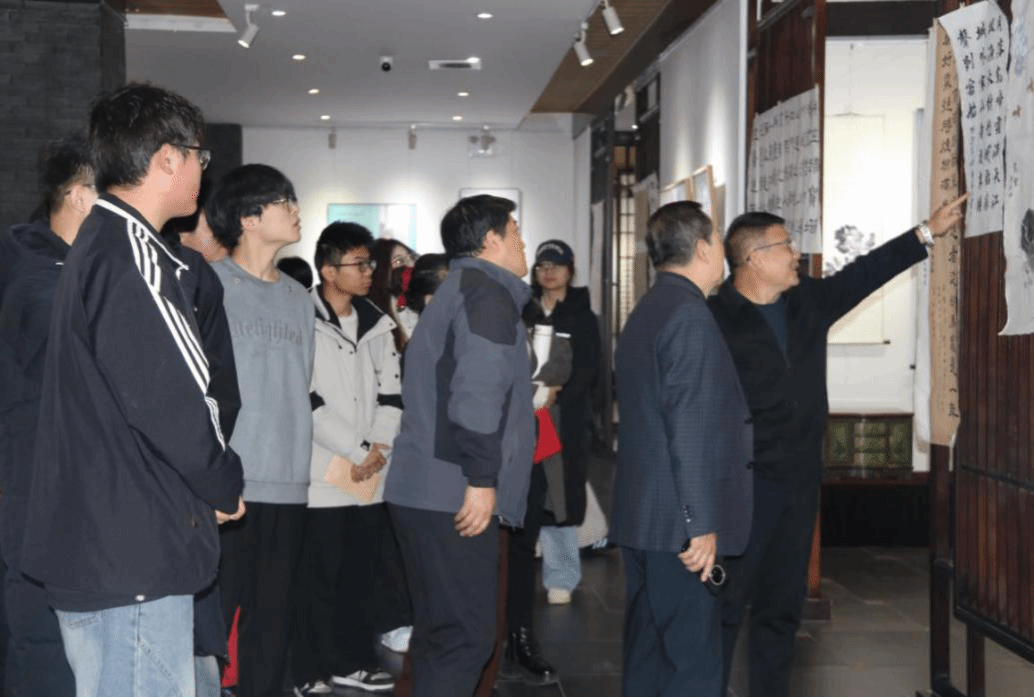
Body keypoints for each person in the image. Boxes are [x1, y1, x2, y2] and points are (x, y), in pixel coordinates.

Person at [20, 83, 246, 697]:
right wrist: (222, 481)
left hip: (107, 544)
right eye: (198, 155)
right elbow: (178, 398)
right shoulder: (132, 254)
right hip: (131, 552)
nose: (203, 170)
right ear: (168, 158)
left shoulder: (101, 243)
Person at [709, 192, 969, 697]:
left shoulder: (807, 302)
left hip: (798, 481)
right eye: (785, 245)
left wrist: (925, 231)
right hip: (740, 486)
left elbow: (865, 273)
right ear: (755, 258)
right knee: (724, 604)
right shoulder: (715, 318)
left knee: (781, 606)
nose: (796, 254)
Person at [384, 194, 535, 697]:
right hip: (451, 490)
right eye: (515, 231)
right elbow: (476, 398)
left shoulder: (464, 289)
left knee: (440, 636)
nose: (522, 242)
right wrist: (482, 478)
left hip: (427, 487)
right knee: (465, 639)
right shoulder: (486, 295)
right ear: (491, 240)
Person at [612, 200, 753, 697]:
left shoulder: (650, 308)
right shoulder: (690, 315)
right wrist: (700, 523)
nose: (721, 251)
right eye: (717, 239)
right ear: (702, 248)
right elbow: (688, 427)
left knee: (648, 655)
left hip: (645, 514)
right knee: (693, 665)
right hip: (678, 523)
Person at [205, 164, 315, 697]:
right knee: (213, 620)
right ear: (248, 218)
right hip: (232, 484)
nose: (295, 210)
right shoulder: (208, 285)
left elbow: (301, 384)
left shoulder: (299, 297)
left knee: (273, 622)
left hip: (290, 481)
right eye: (283, 201)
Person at [0, 135, 96, 697]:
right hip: (35, 478)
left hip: (79, 482)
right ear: (81, 197)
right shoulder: (28, 267)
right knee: (41, 631)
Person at [291, 222, 401, 695]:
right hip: (322, 470)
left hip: (370, 472)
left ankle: (354, 661)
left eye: (369, 263)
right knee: (318, 577)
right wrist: (357, 452)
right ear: (328, 270)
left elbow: (391, 394)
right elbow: (306, 397)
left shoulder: (377, 322)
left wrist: (377, 450)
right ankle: (310, 668)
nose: (369, 272)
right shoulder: (300, 317)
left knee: (361, 575)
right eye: (359, 264)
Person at [525, 239, 601, 606]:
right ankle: (523, 570)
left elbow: (589, 370)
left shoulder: (582, 317)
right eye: (542, 266)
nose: (549, 272)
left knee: (561, 498)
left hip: (564, 419)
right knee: (528, 494)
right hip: (524, 418)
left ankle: (562, 575)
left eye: (556, 266)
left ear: (570, 271)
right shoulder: (523, 311)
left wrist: (557, 392)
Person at [369, 238, 417, 350]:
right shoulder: (373, 317)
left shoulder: (420, 305)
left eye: (411, 258)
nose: (410, 265)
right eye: (399, 261)